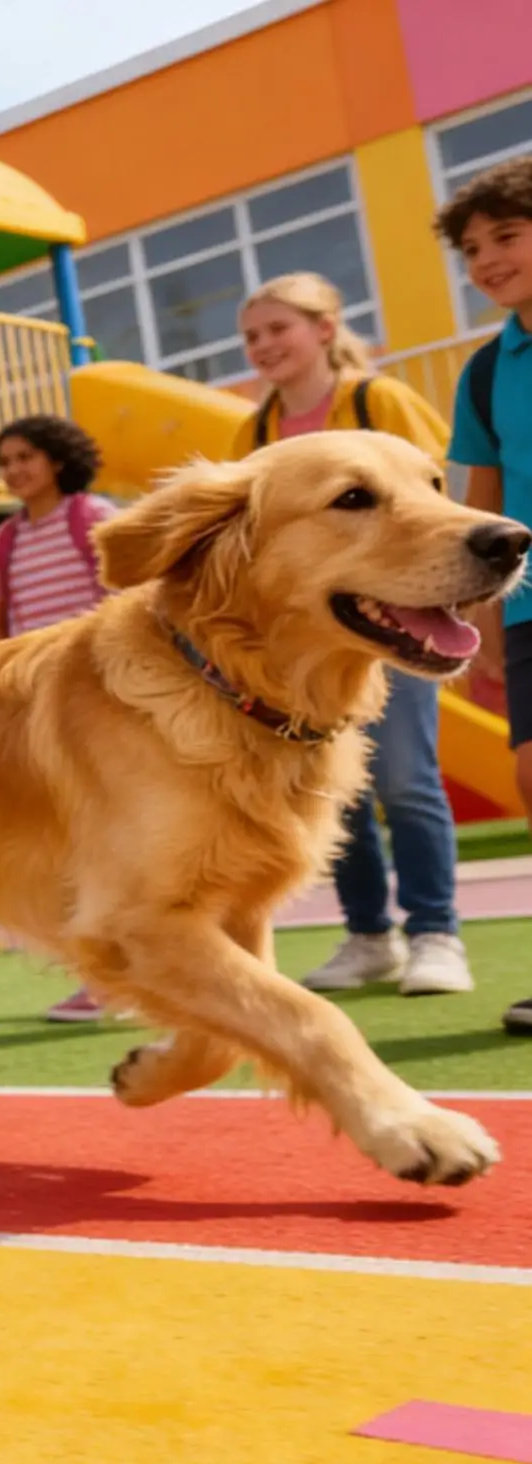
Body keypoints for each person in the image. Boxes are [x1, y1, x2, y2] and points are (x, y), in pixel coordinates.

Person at [233, 273, 473, 997]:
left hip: (406, 613)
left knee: (405, 780)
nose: (263, 346)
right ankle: (367, 933)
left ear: (325, 329)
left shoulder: (378, 402)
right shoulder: (254, 430)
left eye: (278, 328)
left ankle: (435, 932)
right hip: (318, 632)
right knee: (326, 788)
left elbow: (443, 497)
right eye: (251, 336)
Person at [0, 414, 116, 1022]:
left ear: (57, 459)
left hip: (100, 698)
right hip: (37, 703)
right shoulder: (6, 540)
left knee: (107, 836)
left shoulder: (92, 517)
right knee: (64, 840)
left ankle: (121, 972)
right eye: (5, 461)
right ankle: (99, 977)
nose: (14, 470)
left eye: (26, 456)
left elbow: (128, 597)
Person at [435, 156, 532, 1035]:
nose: (487, 259)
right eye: (471, 249)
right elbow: (484, 503)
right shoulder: (482, 371)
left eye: (506, 236)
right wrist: (481, 615)